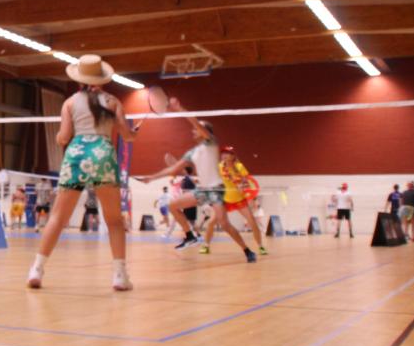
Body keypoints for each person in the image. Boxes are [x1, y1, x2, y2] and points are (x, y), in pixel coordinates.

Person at [27, 54, 138, 291]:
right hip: (102, 153)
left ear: (80, 79)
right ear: (102, 78)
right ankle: (120, 276)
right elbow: (127, 136)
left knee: (58, 217)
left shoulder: (69, 102)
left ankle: (37, 269)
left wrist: (59, 138)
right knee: (114, 220)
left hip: (76, 154)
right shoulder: (113, 101)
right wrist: (134, 134)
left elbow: (63, 137)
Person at [137, 98, 257, 263]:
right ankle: (190, 236)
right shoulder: (192, 152)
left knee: (224, 224)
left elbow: (195, 123)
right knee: (172, 205)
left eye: (197, 129)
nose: (193, 131)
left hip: (215, 190)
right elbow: (173, 169)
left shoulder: (211, 143)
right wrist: (151, 178)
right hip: (202, 190)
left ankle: (247, 250)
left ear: (205, 132)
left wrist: (180, 109)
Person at [200, 147, 267, 256]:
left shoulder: (239, 167)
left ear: (233, 156)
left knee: (253, 222)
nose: (224, 155)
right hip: (224, 201)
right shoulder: (219, 167)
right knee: (211, 222)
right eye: (223, 153)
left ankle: (261, 246)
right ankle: (206, 246)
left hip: (239, 200)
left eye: (227, 153)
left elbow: (247, 181)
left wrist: (243, 186)